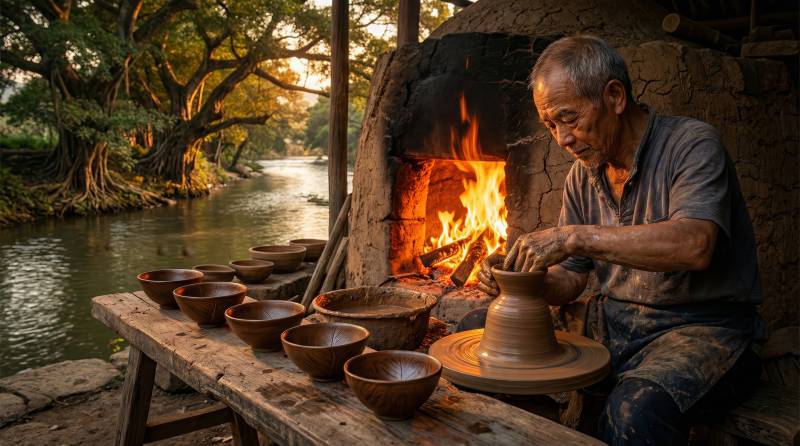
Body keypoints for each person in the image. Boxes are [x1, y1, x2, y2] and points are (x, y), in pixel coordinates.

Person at [476, 35, 764, 445]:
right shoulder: (583, 174)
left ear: (614, 96)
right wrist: (523, 281)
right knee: (476, 331)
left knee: (632, 416)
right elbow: (572, 279)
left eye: (569, 118)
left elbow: (695, 246)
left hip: (705, 329)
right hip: (615, 321)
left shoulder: (692, 145)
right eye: (550, 125)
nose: (562, 138)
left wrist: (574, 237)